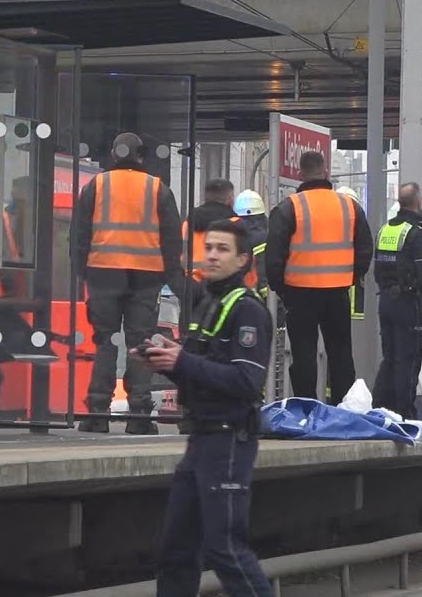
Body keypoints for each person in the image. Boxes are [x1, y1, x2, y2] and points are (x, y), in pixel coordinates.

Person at [146, 219, 273, 597]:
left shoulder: (247, 310)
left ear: (242, 260)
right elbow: (200, 371)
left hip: (228, 441)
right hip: (201, 439)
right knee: (176, 550)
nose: (213, 256)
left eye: (222, 249)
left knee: (226, 549)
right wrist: (166, 362)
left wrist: (182, 361)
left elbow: (245, 381)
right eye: (209, 247)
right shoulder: (208, 303)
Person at [73, 132, 184, 434]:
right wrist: (165, 274)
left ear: (113, 153)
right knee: (140, 344)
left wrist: (83, 272)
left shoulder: (96, 186)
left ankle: (97, 413)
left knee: (105, 341)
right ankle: (139, 415)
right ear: (141, 156)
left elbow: (79, 235)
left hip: (103, 273)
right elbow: (172, 239)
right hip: (146, 277)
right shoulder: (157, 188)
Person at [266, 151, 373, 402]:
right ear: (326, 172)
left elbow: (274, 256)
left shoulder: (289, 207)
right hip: (338, 292)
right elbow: (365, 249)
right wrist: (350, 278)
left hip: (299, 293)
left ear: (300, 174)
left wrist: (282, 289)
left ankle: (307, 408)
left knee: (303, 356)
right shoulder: (350, 206)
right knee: (341, 354)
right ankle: (343, 407)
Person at [373, 183, 422, 419]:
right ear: (418, 202)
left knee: (390, 359)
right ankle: (405, 413)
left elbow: (377, 270)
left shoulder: (385, 230)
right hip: (408, 304)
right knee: (408, 360)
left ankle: (381, 408)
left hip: (386, 301)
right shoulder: (417, 235)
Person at [183, 179, 238, 303]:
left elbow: (175, 256)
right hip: (224, 286)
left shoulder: (188, 224)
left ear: (205, 198)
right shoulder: (235, 224)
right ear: (230, 199)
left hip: (190, 286)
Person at [234, 189, 271, 299]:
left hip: (238, 292)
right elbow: (263, 267)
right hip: (260, 294)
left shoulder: (232, 233)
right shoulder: (266, 233)